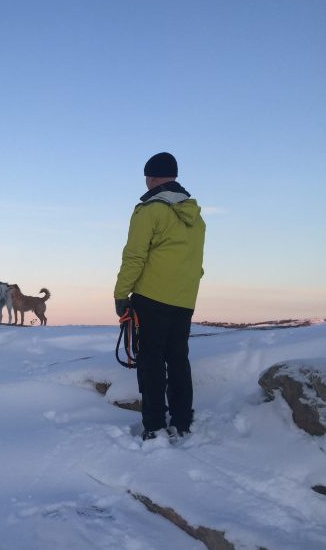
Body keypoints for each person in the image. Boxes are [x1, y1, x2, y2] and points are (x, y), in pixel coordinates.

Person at [114, 152, 206, 441]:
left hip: (151, 297)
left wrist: (121, 293)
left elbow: (135, 256)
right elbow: (195, 262)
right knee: (178, 359)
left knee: (150, 361)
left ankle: (153, 426)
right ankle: (182, 422)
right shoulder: (195, 216)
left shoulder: (149, 210)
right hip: (184, 299)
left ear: (150, 177)